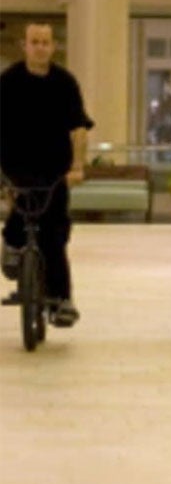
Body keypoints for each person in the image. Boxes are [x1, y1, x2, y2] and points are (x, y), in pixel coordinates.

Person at [0, 22, 92, 327]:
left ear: (53, 47)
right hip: (16, 165)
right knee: (19, 220)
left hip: (54, 169)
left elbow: (78, 127)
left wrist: (77, 166)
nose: (40, 47)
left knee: (54, 236)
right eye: (34, 42)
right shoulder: (9, 81)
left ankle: (61, 300)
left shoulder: (65, 82)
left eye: (45, 42)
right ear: (24, 46)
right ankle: (12, 246)